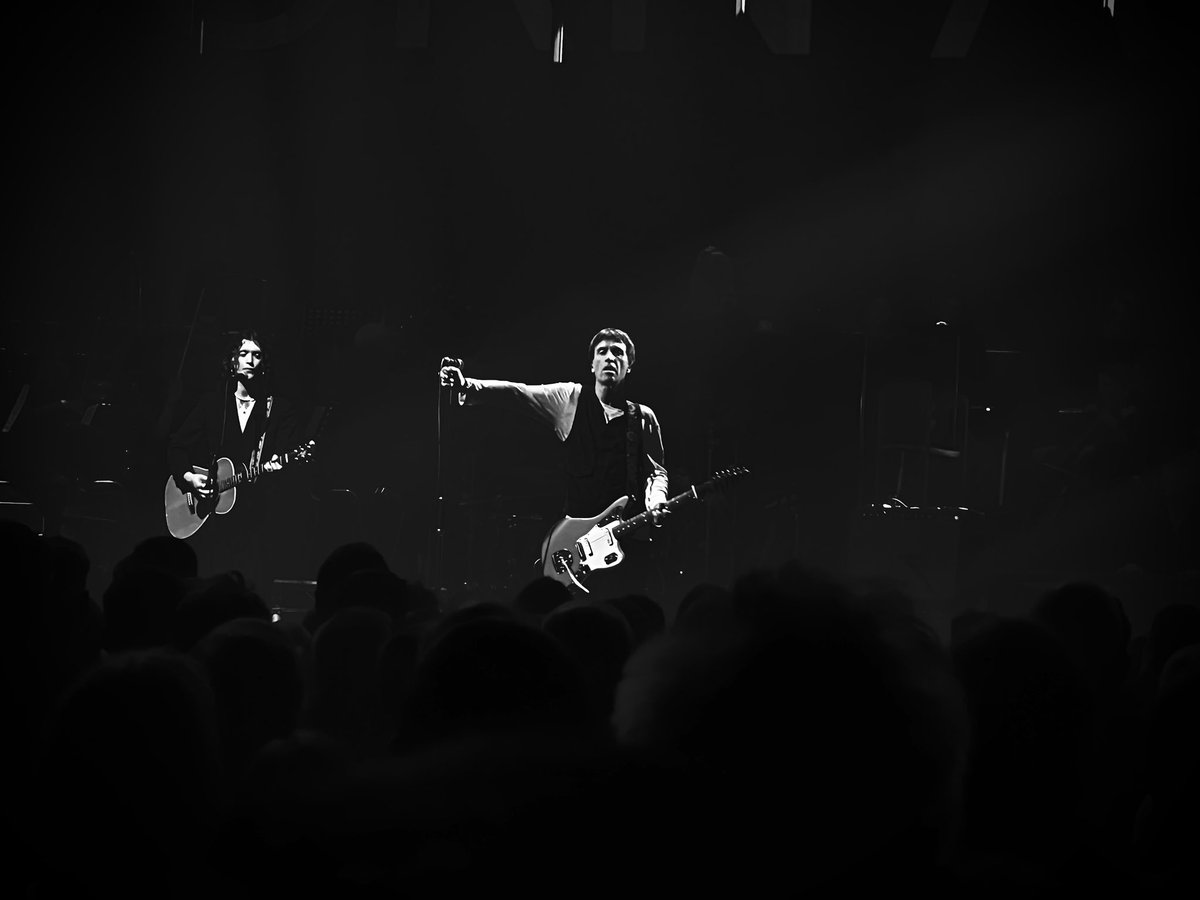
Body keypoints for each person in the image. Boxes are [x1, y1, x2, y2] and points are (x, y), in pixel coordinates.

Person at [438, 328, 668, 598]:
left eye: (618, 353)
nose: (609, 358)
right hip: (576, 540)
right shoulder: (570, 399)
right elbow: (517, 393)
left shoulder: (642, 416)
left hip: (625, 540)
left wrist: (657, 499)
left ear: (629, 366)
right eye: (602, 352)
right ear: (591, 364)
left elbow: (656, 472)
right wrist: (467, 385)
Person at [168, 330, 300, 594]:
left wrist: (276, 465)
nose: (250, 360)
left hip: (257, 513)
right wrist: (190, 478)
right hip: (213, 516)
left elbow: (285, 455)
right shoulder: (212, 403)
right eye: (243, 354)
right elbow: (177, 446)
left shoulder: (278, 409)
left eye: (257, 355)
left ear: (265, 363)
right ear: (232, 361)